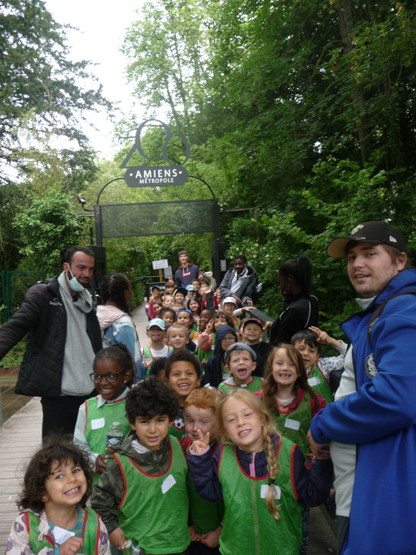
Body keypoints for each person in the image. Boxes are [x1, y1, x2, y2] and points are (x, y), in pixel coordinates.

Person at [308, 221, 416, 554]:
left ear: (400, 261)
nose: (357, 264)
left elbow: (397, 399)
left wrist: (323, 424)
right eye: (352, 257)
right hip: (368, 488)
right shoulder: (386, 310)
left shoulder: (402, 311)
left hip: (387, 494)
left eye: (370, 253)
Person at [187, 389, 333, 554]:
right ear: (225, 431)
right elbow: (211, 491)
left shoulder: (288, 452)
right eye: (231, 419)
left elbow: (312, 494)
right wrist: (200, 459)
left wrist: (321, 461)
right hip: (236, 549)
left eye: (247, 414)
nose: (240, 422)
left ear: (262, 418)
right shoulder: (223, 455)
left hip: (281, 550)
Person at [0, 245, 102, 438]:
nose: (86, 273)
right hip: (60, 397)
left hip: (91, 393)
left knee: (91, 455)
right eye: (81, 267)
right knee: (57, 458)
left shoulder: (87, 300)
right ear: (66, 266)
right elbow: (15, 327)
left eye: (90, 269)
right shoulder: (44, 295)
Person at [91, 377, 190, 553]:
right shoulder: (121, 463)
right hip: (141, 548)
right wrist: (112, 529)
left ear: (170, 419)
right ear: (132, 423)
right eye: (145, 421)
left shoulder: (177, 445)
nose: (153, 429)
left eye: (160, 420)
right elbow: (100, 500)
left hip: (180, 544)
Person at [6, 439, 110, 554]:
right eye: (59, 476)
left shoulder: (94, 523)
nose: (72, 479)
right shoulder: (25, 525)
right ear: (42, 492)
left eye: (75, 470)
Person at [73, 344, 134, 478]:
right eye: (97, 376)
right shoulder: (87, 408)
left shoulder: (136, 403)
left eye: (111, 376)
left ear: (126, 376)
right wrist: (93, 460)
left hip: (131, 483)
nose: (103, 383)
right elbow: (79, 445)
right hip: (98, 486)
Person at [261, 344, 326, 459]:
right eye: (279, 363)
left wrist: (319, 448)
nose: (285, 368)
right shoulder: (258, 400)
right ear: (271, 369)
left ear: (299, 372)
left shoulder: (312, 400)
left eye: (292, 364)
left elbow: (324, 427)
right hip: (266, 465)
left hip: (301, 467)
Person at [182, 388, 224, 554]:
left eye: (203, 421)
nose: (195, 428)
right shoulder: (184, 445)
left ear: (219, 421)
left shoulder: (225, 451)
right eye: (190, 420)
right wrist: (188, 524)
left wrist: (222, 529)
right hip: (194, 533)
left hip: (222, 534)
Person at [97, 273, 145, 381]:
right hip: (120, 385)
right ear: (126, 293)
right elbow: (134, 360)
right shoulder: (123, 323)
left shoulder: (93, 316)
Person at [268, 255, 318, 346]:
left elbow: (281, 344)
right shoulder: (311, 301)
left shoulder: (295, 310)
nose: (280, 287)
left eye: (280, 282)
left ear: (289, 281)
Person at [292, 328, 347, 404]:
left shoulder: (323, 365)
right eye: (301, 349)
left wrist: (332, 341)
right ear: (291, 351)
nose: (305, 353)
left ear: (317, 356)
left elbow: (353, 356)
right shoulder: (283, 369)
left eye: (311, 351)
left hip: (325, 415)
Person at [165, 349, 202, 440]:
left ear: (198, 380)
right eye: (176, 374)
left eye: (189, 373)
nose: (183, 377)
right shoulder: (163, 410)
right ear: (167, 381)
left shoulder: (205, 408)